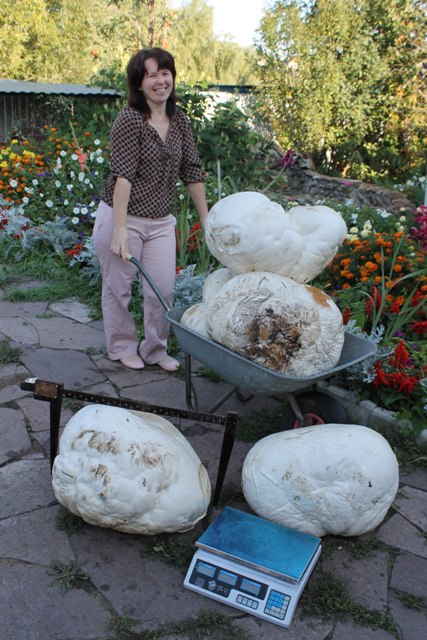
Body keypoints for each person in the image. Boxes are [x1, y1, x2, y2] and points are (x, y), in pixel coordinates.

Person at [92, 47, 209, 371]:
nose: (160, 81)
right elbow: (123, 176)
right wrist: (119, 230)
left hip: (159, 221)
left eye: (165, 73)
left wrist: (206, 218)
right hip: (122, 216)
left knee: (162, 290)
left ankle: (155, 349)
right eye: (152, 75)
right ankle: (122, 347)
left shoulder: (179, 120)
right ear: (139, 83)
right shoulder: (130, 120)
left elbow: (192, 170)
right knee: (118, 289)